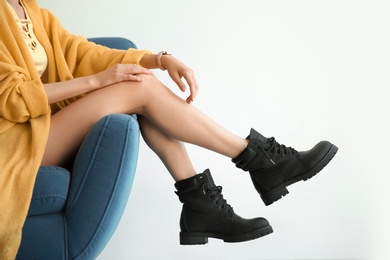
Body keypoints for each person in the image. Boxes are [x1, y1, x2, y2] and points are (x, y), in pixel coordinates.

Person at [0, 0, 338, 258]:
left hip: (45, 131)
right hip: (14, 143)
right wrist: (98, 81)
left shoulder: (30, 9)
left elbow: (79, 52)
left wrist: (159, 59)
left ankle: (200, 201)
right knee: (139, 89)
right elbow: (10, 97)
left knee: (140, 81)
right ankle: (257, 161)